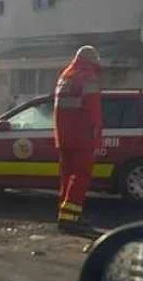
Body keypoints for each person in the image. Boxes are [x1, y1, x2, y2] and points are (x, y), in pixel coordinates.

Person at [53, 45, 102, 234]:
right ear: (92, 60)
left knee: (67, 177)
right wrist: (96, 135)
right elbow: (93, 110)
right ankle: (71, 218)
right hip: (82, 136)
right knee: (81, 176)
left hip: (63, 135)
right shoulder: (88, 76)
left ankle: (64, 213)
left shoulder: (65, 75)